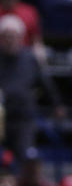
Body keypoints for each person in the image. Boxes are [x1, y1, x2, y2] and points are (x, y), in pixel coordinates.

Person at [0, 14, 63, 156]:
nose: (10, 40)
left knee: (26, 157)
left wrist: (56, 104)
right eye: (6, 36)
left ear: (21, 38)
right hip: (0, 119)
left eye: (13, 36)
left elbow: (45, 82)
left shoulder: (30, 58)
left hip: (23, 118)